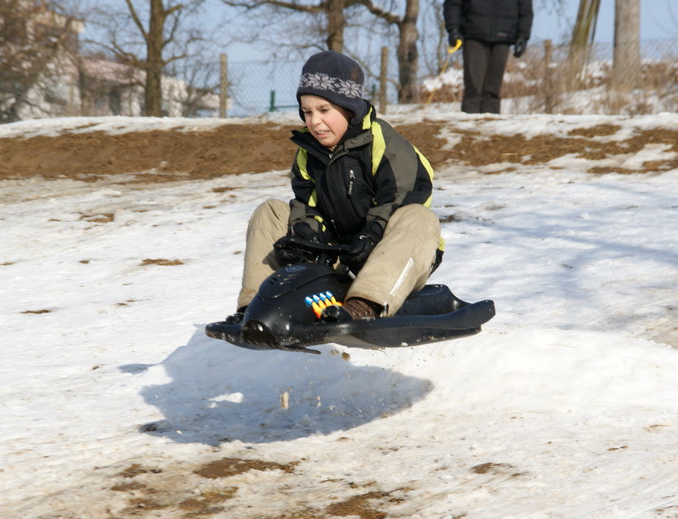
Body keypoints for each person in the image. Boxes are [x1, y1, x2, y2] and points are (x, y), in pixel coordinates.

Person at [222, 50, 444, 325]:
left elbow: (404, 196)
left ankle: (365, 304)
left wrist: (372, 234)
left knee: (420, 217)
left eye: (324, 110)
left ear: (349, 108)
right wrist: (304, 235)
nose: (314, 121)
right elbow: (306, 205)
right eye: (307, 112)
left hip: (397, 254)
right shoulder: (309, 153)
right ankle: (255, 308)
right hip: (342, 255)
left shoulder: (383, 143)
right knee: (271, 211)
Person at [443, 0, 533, 114]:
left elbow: (525, 7)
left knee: (493, 90)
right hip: (474, 33)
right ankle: (469, 126)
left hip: (504, 35)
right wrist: (453, 29)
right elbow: (453, 3)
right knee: (474, 88)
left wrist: (523, 35)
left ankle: (490, 126)